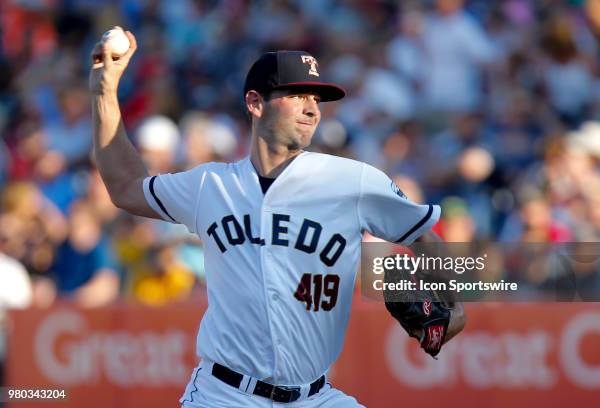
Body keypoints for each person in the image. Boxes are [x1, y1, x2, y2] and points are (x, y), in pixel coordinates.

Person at [90, 31, 466, 407]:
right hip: (223, 395)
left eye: (316, 99)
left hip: (316, 397)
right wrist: (104, 92)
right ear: (255, 102)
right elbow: (125, 187)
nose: (312, 108)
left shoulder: (355, 181)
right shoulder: (209, 185)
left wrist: (455, 310)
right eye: (297, 95)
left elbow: (424, 235)